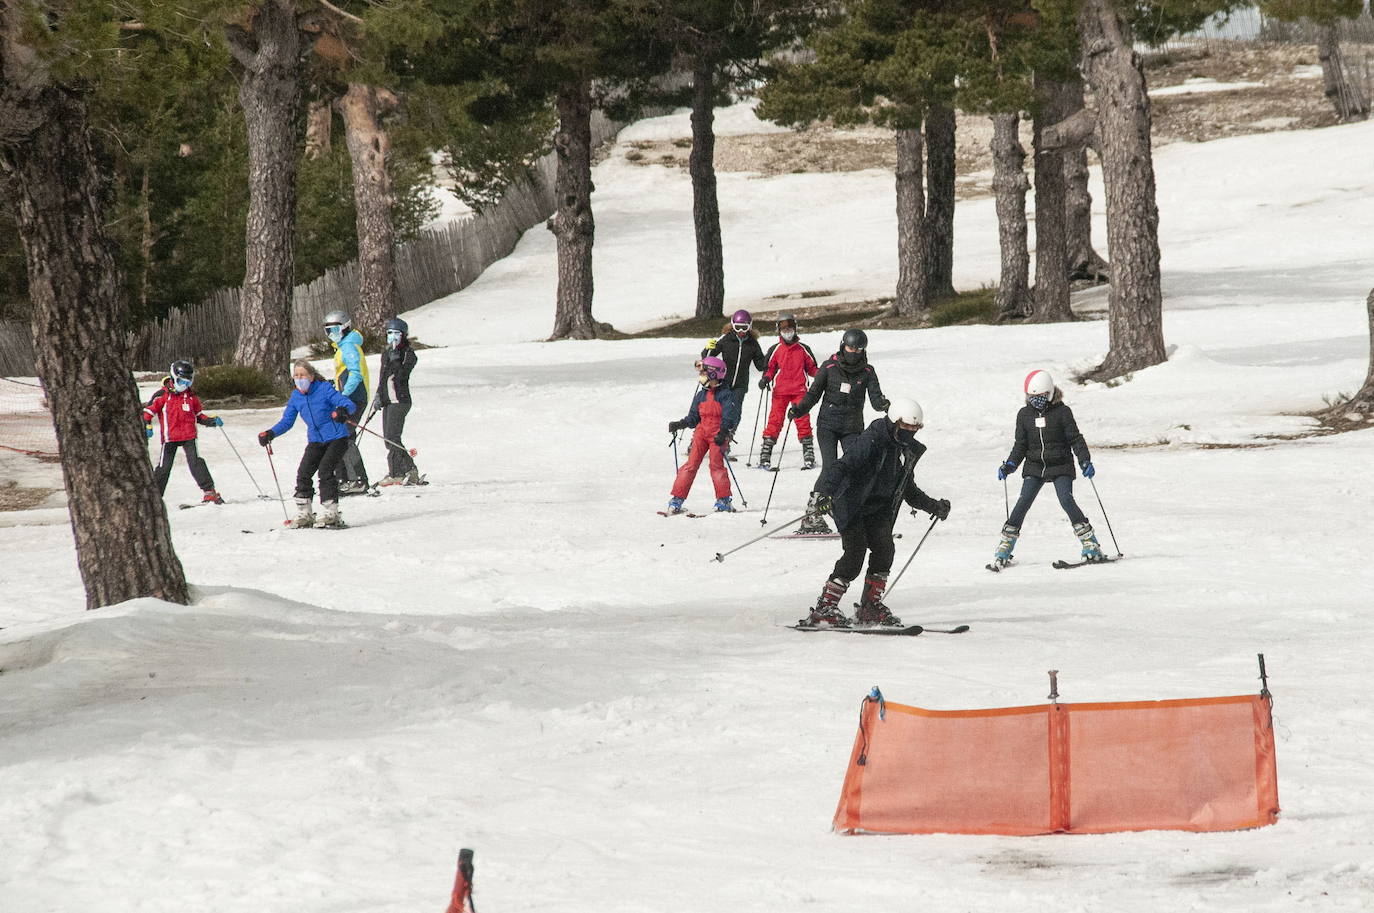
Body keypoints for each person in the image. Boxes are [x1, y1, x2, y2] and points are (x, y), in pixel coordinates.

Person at [802, 398, 950, 628]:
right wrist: (824, 493)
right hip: (851, 504)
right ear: (894, 422)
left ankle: (869, 607)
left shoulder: (905, 450)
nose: (910, 433)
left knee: (885, 550)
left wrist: (933, 506)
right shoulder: (872, 439)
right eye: (906, 427)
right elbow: (843, 465)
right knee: (855, 554)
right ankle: (825, 608)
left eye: (915, 428)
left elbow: (907, 488)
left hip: (877, 509)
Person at [990, 369, 1103, 569]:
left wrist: (1084, 461)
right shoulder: (1024, 415)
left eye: (1041, 396)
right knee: (1023, 501)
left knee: (1066, 499)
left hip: (1061, 465)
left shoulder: (1062, 412)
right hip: (1035, 466)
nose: (1036, 400)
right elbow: (1020, 445)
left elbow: (1075, 439)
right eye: (1032, 397)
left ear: (1050, 393)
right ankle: (1005, 547)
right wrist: (1010, 465)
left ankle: (1090, 544)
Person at [788, 328, 889, 534]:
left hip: (852, 427)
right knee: (831, 467)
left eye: (858, 349)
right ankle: (813, 513)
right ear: (843, 346)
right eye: (851, 348)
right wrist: (799, 410)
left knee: (855, 467)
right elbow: (813, 394)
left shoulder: (867, 371)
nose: (854, 353)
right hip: (828, 426)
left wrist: (885, 405)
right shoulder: (829, 367)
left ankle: (847, 510)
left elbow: (876, 399)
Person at [259, 359, 360, 529]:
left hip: (337, 437)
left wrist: (342, 411)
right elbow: (287, 421)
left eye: (303, 375)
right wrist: (271, 433)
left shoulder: (324, 389)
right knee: (303, 472)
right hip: (316, 440)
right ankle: (305, 513)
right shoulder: (296, 397)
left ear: (311, 377)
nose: (300, 379)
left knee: (325, 470)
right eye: (296, 376)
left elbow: (348, 404)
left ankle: (331, 513)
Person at [666, 355, 741, 514]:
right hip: (701, 433)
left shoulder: (725, 395)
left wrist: (723, 432)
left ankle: (723, 500)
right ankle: (677, 500)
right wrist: (680, 424)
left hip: (717, 434)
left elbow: (730, 416)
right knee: (690, 465)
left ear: (714, 374)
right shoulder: (701, 395)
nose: (701, 376)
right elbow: (693, 418)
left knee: (716, 466)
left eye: (703, 373)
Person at [142, 360, 224, 504]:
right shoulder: (162, 395)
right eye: (181, 382)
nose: (184, 385)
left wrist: (211, 421)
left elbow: (199, 416)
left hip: (188, 436)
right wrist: (147, 426)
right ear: (173, 378)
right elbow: (147, 413)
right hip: (170, 437)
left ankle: (209, 492)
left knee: (196, 463)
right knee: (164, 467)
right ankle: (154, 498)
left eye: (188, 382)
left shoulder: (191, 397)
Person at [701, 309, 767, 458]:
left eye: (744, 327)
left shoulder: (752, 343)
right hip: (723, 382)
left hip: (740, 385)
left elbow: (760, 365)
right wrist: (708, 348)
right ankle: (699, 441)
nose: (741, 331)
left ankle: (725, 442)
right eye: (738, 327)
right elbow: (707, 357)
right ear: (732, 326)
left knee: (735, 414)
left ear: (750, 326)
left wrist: (769, 360)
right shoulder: (726, 339)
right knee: (715, 412)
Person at [757, 314, 818, 471]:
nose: (787, 331)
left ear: (795, 329)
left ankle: (808, 453)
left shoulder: (803, 349)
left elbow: (812, 368)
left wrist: (822, 376)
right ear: (778, 330)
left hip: (799, 390)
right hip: (780, 391)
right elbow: (770, 368)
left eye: (790, 328)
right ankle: (765, 454)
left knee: (802, 420)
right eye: (784, 329)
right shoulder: (776, 349)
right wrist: (766, 379)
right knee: (775, 420)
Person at [371, 317, 422, 486]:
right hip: (388, 401)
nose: (392, 337)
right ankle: (408, 470)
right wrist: (379, 396)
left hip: (400, 400)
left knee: (393, 437)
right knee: (389, 440)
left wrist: (396, 360)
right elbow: (383, 377)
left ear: (403, 335)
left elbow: (401, 377)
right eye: (389, 333)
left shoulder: (408, 354)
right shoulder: (386, 353)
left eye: (396, 333)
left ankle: (397, 472)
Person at [324, 309, 370, 493]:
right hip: (349, 397)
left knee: (344, 438)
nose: (331, 334)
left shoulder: (349, 346)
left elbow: (355, 374)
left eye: (334, 329)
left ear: (344, 327)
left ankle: (358, 479)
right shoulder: (343, 346)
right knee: (340, 437)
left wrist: (343, 396)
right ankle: (343, 479)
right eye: (328, 330)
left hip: (354, 398)